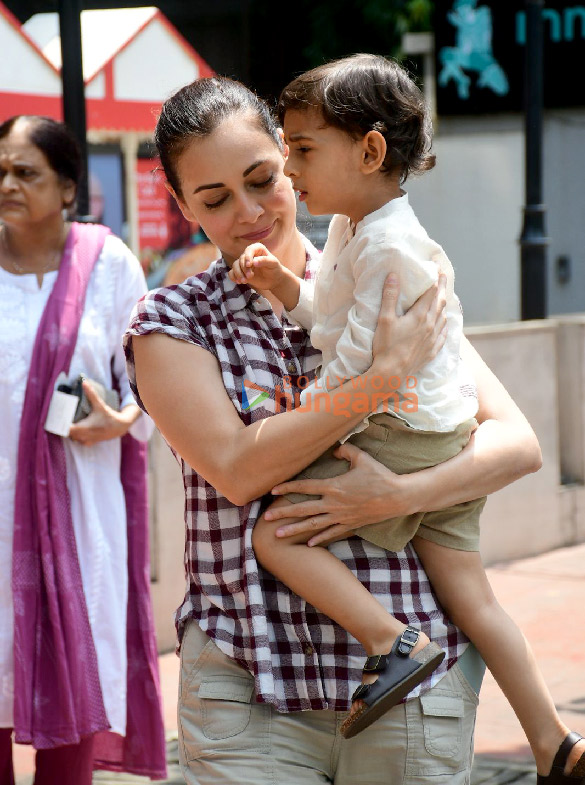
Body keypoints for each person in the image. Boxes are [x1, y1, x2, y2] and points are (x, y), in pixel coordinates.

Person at [123, 75, 543, 785]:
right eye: (215, 199)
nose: (249, 211)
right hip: (249, 684)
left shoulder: (384, 271)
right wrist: (377, 383)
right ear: (183, 205)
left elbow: (514, 443)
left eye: (262, 178)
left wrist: (390, 496)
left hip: (414, 684)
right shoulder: (173, 322)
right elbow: (237, 467)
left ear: (290, 161)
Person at [229, 54, 585, 779]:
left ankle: (392, 641)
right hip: (440, 434)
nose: (289, 168)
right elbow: (331, 317)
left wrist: (312, 405)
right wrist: (284, 285)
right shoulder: (360, 230)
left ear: (368, 151)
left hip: (401, 439)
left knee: (275, 533)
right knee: (474, 600)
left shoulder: (390, 245)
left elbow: (358, 357)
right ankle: (553, 742)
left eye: (301, 148)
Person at [0, 115, 166, 784]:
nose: (7, 183)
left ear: (68, 187)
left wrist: (123, 417)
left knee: (71, 691)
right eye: (0, 170)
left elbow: (148, 377)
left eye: (25, 172)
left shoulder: (108, 264)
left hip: (78, 514)